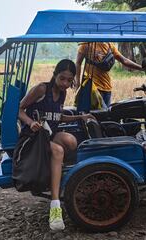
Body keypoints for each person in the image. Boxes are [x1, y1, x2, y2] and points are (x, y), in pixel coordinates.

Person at [18, 59, 94, 231]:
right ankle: (55, 206)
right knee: (59, 150)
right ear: (54, 75)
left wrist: (80, 117)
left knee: (72, 141)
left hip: (48, 136)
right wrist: (30, 123)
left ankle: (54, 170)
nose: (65, 83)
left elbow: (57, 117)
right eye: (62, 79)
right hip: (33, 137)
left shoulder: (62, 93)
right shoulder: (41, 89)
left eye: (69, 80)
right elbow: (19, 109)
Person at [75, 42, 146, 107]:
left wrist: (142, 68)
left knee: (107, 116)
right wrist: (77, 83)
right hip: (93, 88)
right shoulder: (86, 45)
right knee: (98, 115)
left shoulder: (109, 45)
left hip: (107, 88)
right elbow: (78, 63)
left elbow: (124, 60)